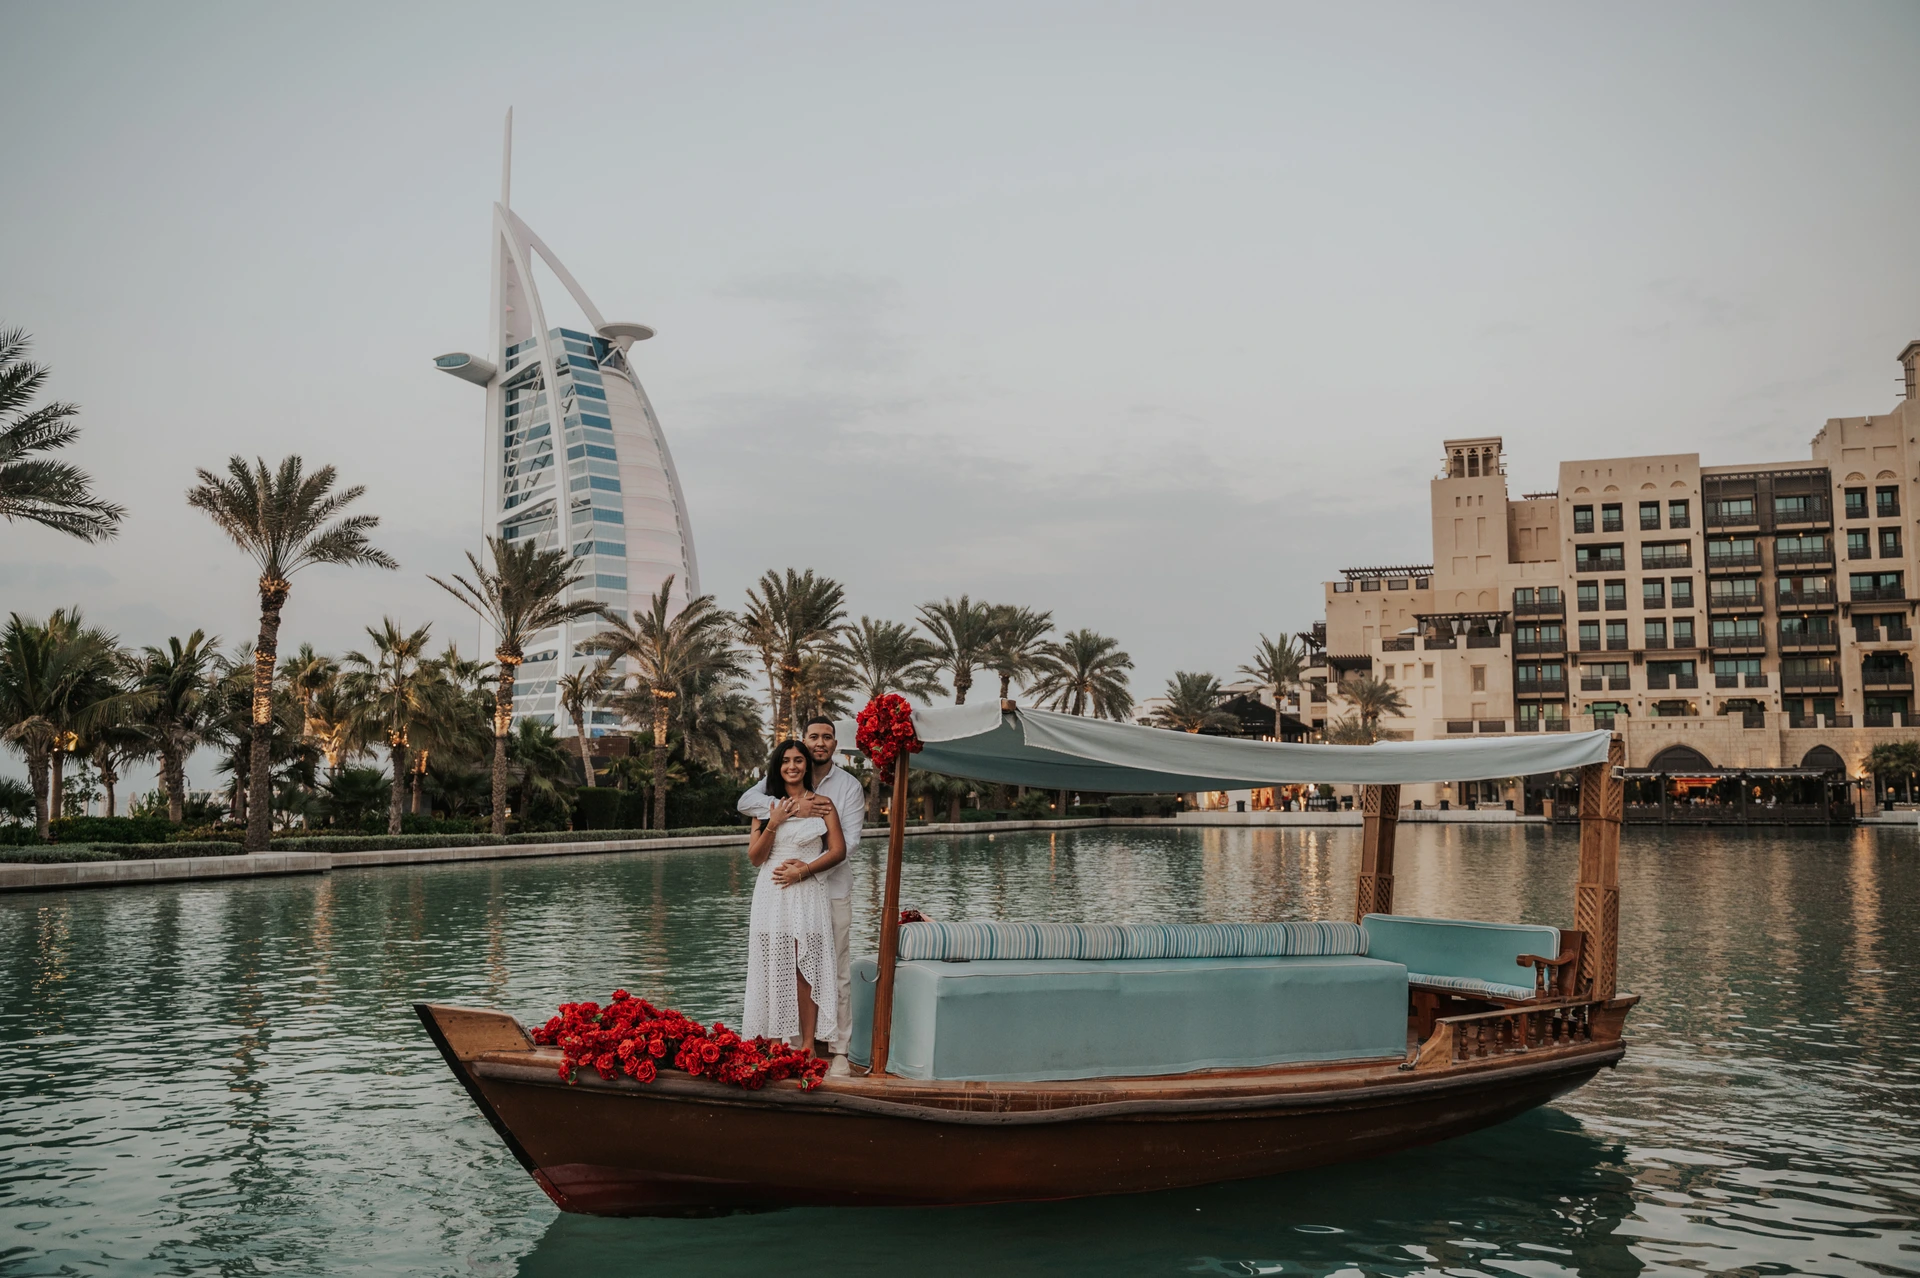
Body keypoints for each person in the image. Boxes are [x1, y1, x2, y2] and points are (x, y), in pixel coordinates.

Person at [738, 716, 865, 1074]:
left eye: (799, 760)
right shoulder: (766, 803)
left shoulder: (835, 796)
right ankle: (777, 1040)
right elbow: (754, 857)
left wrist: (804, 869)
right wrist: (779, 818)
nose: (793, 765)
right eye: (787, 760)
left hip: (815, 890)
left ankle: (823, 1045)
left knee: (814, 967)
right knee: (771, 967)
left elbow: (843, 847)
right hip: (772, 894)